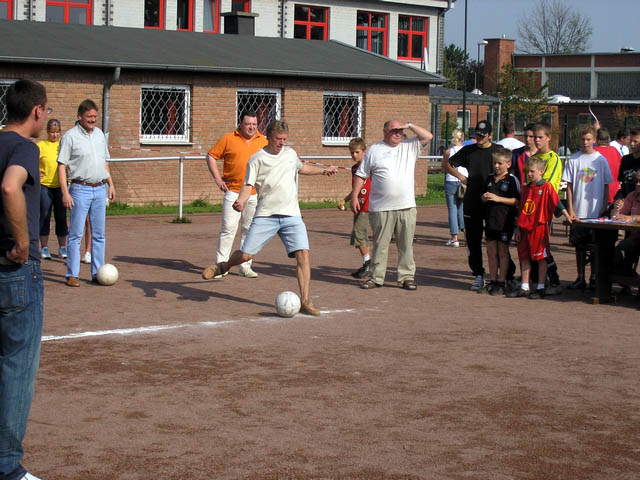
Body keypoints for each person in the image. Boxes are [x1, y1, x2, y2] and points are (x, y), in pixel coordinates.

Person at [201, 120, 337, 316]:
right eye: (278, 139)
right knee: (246, 255)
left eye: (284, 139)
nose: (282, 143)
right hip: (266, 215)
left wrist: (323, 171)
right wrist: (241, 200)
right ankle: (224, 266)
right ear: (269, 137)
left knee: (303, 255)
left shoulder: (290, 154)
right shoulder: (257, 159)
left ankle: (306, 300)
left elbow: (302, 168)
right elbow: (248, 185)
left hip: (292, 215)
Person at [0, 79, 48, 480]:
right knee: (16, 369)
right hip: (15, 270)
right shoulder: (25, 147)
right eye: (45, 111)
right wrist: (20, 243)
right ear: (36, 111)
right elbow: (10, 186)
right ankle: (7, 467)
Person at [352, 120, 433, 291]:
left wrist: (409, 125)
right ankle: (376, 277)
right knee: (380, 245)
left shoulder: (409, 146)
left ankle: (406, 277)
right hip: (381, 208)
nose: (397, 134)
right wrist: (354, 197)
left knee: (405, 245)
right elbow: (361, 175)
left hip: (406, 206)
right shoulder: (374, 150)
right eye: (393, 131)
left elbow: (428, 136)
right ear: (384, 131)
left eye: (400, 131)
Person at [444, 120, 511, 291]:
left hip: (493, 203)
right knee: (473, 241)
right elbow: (448, 164)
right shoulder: (469, 150)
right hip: (472, 201)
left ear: (490, 135)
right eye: (477, 135)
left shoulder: (498, 151)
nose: (479, 138)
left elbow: (508, 171)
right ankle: (478, 274)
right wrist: (461, 177)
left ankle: (505, 276)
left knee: (496, 241)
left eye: (483, 135)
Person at [57, 99, 116, 287]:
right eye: (89, 116)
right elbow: (61, 166)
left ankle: (97, 273)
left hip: (99, 188)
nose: (92, 120)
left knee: (99, 234)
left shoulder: (99, 135)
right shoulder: (70, 136)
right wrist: (65, 192)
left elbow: (104, 161)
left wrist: (110, 184)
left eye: (95, 117)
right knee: (75, 234)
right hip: (79, 188)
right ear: (79, 116)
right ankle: (72, 274)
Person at [206, 112, 268, 278]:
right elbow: (211, 156)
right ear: (240, 124)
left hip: (254, 194)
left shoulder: (263, 141)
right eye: (248, 124)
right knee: (228, 229)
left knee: (249, 230)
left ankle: (245, 265)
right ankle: (221, 266)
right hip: (233, 191)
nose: (251, 127)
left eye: (254, 124)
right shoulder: (228, 138)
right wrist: (218, 179)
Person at [508, 157, 571, 299]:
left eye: (532, 171)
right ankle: (525, 286)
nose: (529, 174)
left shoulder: (547, 187)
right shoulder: (526, 188)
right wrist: (518, 227)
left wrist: (567, 215)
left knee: (541, 258)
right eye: (527, 171)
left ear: (541, 171)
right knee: (524, 257)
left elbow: (557, 203)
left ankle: (541, 287)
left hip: (539, 227)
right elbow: (521, 208)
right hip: (524, 227)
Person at [562, 125, 613, 290]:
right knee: (579, 246)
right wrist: (570, 208)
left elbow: (606, 185)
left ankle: (594, 276)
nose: (585, 142)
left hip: (596, 212)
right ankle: (580, 276)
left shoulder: (601, 160)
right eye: (583, 139)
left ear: (595, 140)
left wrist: (603, 208)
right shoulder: (574, 159)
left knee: (596, 246)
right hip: (579, 212)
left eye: (589, 139)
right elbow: (568, 186)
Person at [478, 147, 520, 295]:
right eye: (495, 163)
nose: (496, 166)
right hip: (490, 221)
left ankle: (502, 282)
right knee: (490, 251)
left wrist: (499, 199)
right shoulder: (490, 178)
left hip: (505, 221)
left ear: (508, 164)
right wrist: (484, 198)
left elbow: (517, 201)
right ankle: (493, 280)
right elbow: (484, 196)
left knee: (502, 252)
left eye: (500, 163)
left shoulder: (511, 180)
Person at [528, 122, 564, 293]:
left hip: (545, 211)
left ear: (549, 138)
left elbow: (544, 185)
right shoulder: (534, 158)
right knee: (531, 245)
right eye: (534, 137)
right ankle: (536, 279)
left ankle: (554, 280)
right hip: (531, 210)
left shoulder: (553, 158)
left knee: (543, 246)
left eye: (540, 137)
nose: (536, 140)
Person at [337, 137, 372, 278]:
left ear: (364, 151)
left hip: (369, 206)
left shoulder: (371, 166)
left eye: (357, 152)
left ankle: (369, 264)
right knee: (359, 237)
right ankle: (368, 263)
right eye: (352, 152)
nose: (354, 155)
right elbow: (356, 189)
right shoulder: (354, 168)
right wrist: (345, 200)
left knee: (358, 234)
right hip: (359, 205)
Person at [38, 118, 68, 260]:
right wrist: (36, 172)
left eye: (57, 132)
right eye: (52, 132)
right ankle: (44, 247)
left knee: (61, 216)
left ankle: (62, 247)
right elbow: (33, 162)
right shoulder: (41, 146)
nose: (54, 135)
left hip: (60, 186)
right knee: (44, 215)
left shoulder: (63, 145)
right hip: (45, 186)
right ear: (47, 132)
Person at [611, 169, 640, 277]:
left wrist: (631, 218)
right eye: (636, 180)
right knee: (619, 249)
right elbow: (618, 215)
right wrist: (616, 209)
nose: (637, 184)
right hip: (634, 238)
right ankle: (626, 278)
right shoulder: (632, 195)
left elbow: (628, 217)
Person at [441, 128, 467, 247]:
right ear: (462, 138)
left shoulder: (448, 151)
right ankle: (466, 235)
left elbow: (444, 167)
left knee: (452, 208)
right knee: (461, 208)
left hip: (451, 181)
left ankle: (454, 238)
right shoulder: (467, 150)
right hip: (464, 181)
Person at [594, 128, 622, 204]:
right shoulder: (615, 150)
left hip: (597, 190)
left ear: (596, 139)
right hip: (614, 189)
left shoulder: (594, 151)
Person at [615, 130, 640, 206]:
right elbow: (622, 184)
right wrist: (619, 199)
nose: (632, 144)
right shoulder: (625, 160)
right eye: (630, 141)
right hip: (626, 202)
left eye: (635, 142)